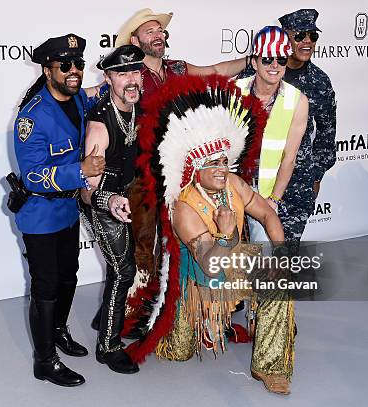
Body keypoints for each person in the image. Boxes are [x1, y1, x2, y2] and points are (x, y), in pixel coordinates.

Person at [126, 74, 296, 395]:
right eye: (211, 163)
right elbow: (210, 266)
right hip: (197, 285)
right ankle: (193, 322)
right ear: (194, 170)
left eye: (223, 161)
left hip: (233, 264)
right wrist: (228, 235)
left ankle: (271, 366)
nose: (221, 168)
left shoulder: (235, 184)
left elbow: (269, 214)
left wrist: (283, 253)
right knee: (178, 352)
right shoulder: (185, 208)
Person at [113, 7, 252, 332]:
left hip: (184, 174)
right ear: (135, 40)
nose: (158, 35)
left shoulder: (178, 67)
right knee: (143, 245)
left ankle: (194, 305)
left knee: (191, 235)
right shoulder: (128, 73)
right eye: (150, 31)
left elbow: (216, 69)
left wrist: (254, 60)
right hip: (143, 175)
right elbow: (99, 96)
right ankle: (136, 314)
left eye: (160, 30)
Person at [13, 33, 105, 387]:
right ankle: (45, 360)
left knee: (69, 277)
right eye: (64, 65)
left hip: (67, 211)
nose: (74, 71)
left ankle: (58, 331)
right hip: (40, 216)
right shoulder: (32, 117)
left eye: (78, 64)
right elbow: (34, 176)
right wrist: (82, 171)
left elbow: (99, 92)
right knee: (46, 286)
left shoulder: (78, 98)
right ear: (47, 70)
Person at [80, 45, 145, 374]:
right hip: (104, 199)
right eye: (122, 74)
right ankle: (107, 346)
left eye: (136, 71)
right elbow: (87, 190)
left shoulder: (136, 103)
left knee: (124, 265)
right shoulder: (99, 126)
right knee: (123, 271)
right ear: (108, 79)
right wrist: (111, 202)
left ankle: (104, 316)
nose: (132, 80)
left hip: (126, 194)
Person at [233, 26, 308, 251]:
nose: (275, 65)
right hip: (232, 189)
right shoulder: (233, 91)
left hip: (264, 196)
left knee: (263, 260)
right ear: (254, 62)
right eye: (267, 59)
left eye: (281, 59)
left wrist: (273, 201)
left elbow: (289, 158)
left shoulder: (297, 100)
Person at [278, 8, 337, 245]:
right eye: (300, 35)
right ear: (285, 38)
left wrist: (316, 174)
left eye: (313, 36)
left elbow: (327, 132)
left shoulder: (320, 82)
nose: (307, 42)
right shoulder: (267, 71)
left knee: (287, 252)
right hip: (261, 178)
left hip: (299, 181)